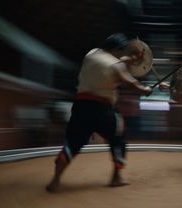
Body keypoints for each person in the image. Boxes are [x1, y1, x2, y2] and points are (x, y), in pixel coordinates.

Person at [46, 33, 153, 192]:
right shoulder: (117, 65)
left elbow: (112, 62)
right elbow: (129, 80)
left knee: (72, 143)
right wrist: (144, 89)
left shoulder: (92, 53)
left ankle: (55, 181)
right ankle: (116, 178)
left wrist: (130, 59)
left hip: (81, 107)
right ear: (117, 49)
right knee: (119, 138)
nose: (122, 54)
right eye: (122, 51)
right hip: (103, 110)